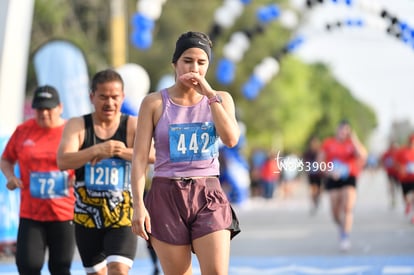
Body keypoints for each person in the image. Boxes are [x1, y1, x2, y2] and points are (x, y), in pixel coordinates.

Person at [130, 31, 241, 275]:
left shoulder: (221, 99)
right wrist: (138, 206)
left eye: (201, 63)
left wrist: (210, 95)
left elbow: (231, 139)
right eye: (187, 61)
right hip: (165, 195)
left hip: (207, 194)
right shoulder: (154, 103)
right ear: (175, 64)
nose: (194, 68)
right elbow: (139, 159)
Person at [57, 69, 141, 275]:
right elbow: (62, 161)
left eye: (115, 97)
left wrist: (120, 151)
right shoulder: (78, 125)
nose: (109, 103)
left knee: (118, 270)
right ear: (92, 97)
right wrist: (96, 150)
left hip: (122, 216)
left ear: (123, 97)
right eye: (103, 97)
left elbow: (156, 154)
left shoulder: (131, 125)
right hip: (86, 217)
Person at [1, 85, 76, 275]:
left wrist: (78, 179)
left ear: (60, 107)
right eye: (39, 108)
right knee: (28, 267)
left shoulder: (71, 131)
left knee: (60, 268)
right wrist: (11, 177)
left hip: (64, 214)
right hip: (31, 214)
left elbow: (86, 160)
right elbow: (6, 159)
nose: (44, 113)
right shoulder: (23, 130)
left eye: (49, 108)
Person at [319, 120, 367, 252]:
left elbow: (363, 155)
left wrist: (354, 139)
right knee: (335, 211)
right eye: (341, 129)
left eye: (346, 130)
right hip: (333, 177)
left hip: (349, 177)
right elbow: (320, 161)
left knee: (347, 207)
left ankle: (345, 236)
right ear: (337, 130)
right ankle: (341, 226)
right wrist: (329, 171)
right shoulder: (328, 143)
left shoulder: (352, 143)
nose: (343, 132)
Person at [394, 134, 414, 223]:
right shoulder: (402, 151)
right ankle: (408, 204)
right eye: (411, 142)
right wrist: (401, 168)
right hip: (404, 178)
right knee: (405, 196)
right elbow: (395, 163)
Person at [302, 136, 324, 214]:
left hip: (319, 174)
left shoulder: (320, 152)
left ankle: (318, 198)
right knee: (312, 190)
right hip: (311, 174)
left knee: (319, 189)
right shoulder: (307, 153)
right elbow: (305, 162)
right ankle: (314, 202)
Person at [380, 141, 400, 209]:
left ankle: (397, 195)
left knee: (397, 185)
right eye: (392, 146)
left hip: (397, 173)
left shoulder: (398, 153)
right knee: (391, 186)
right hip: (390, 172)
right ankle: (393, 198)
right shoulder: (386, 153)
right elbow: (382, 160)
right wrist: (383, 166)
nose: (394, 148)